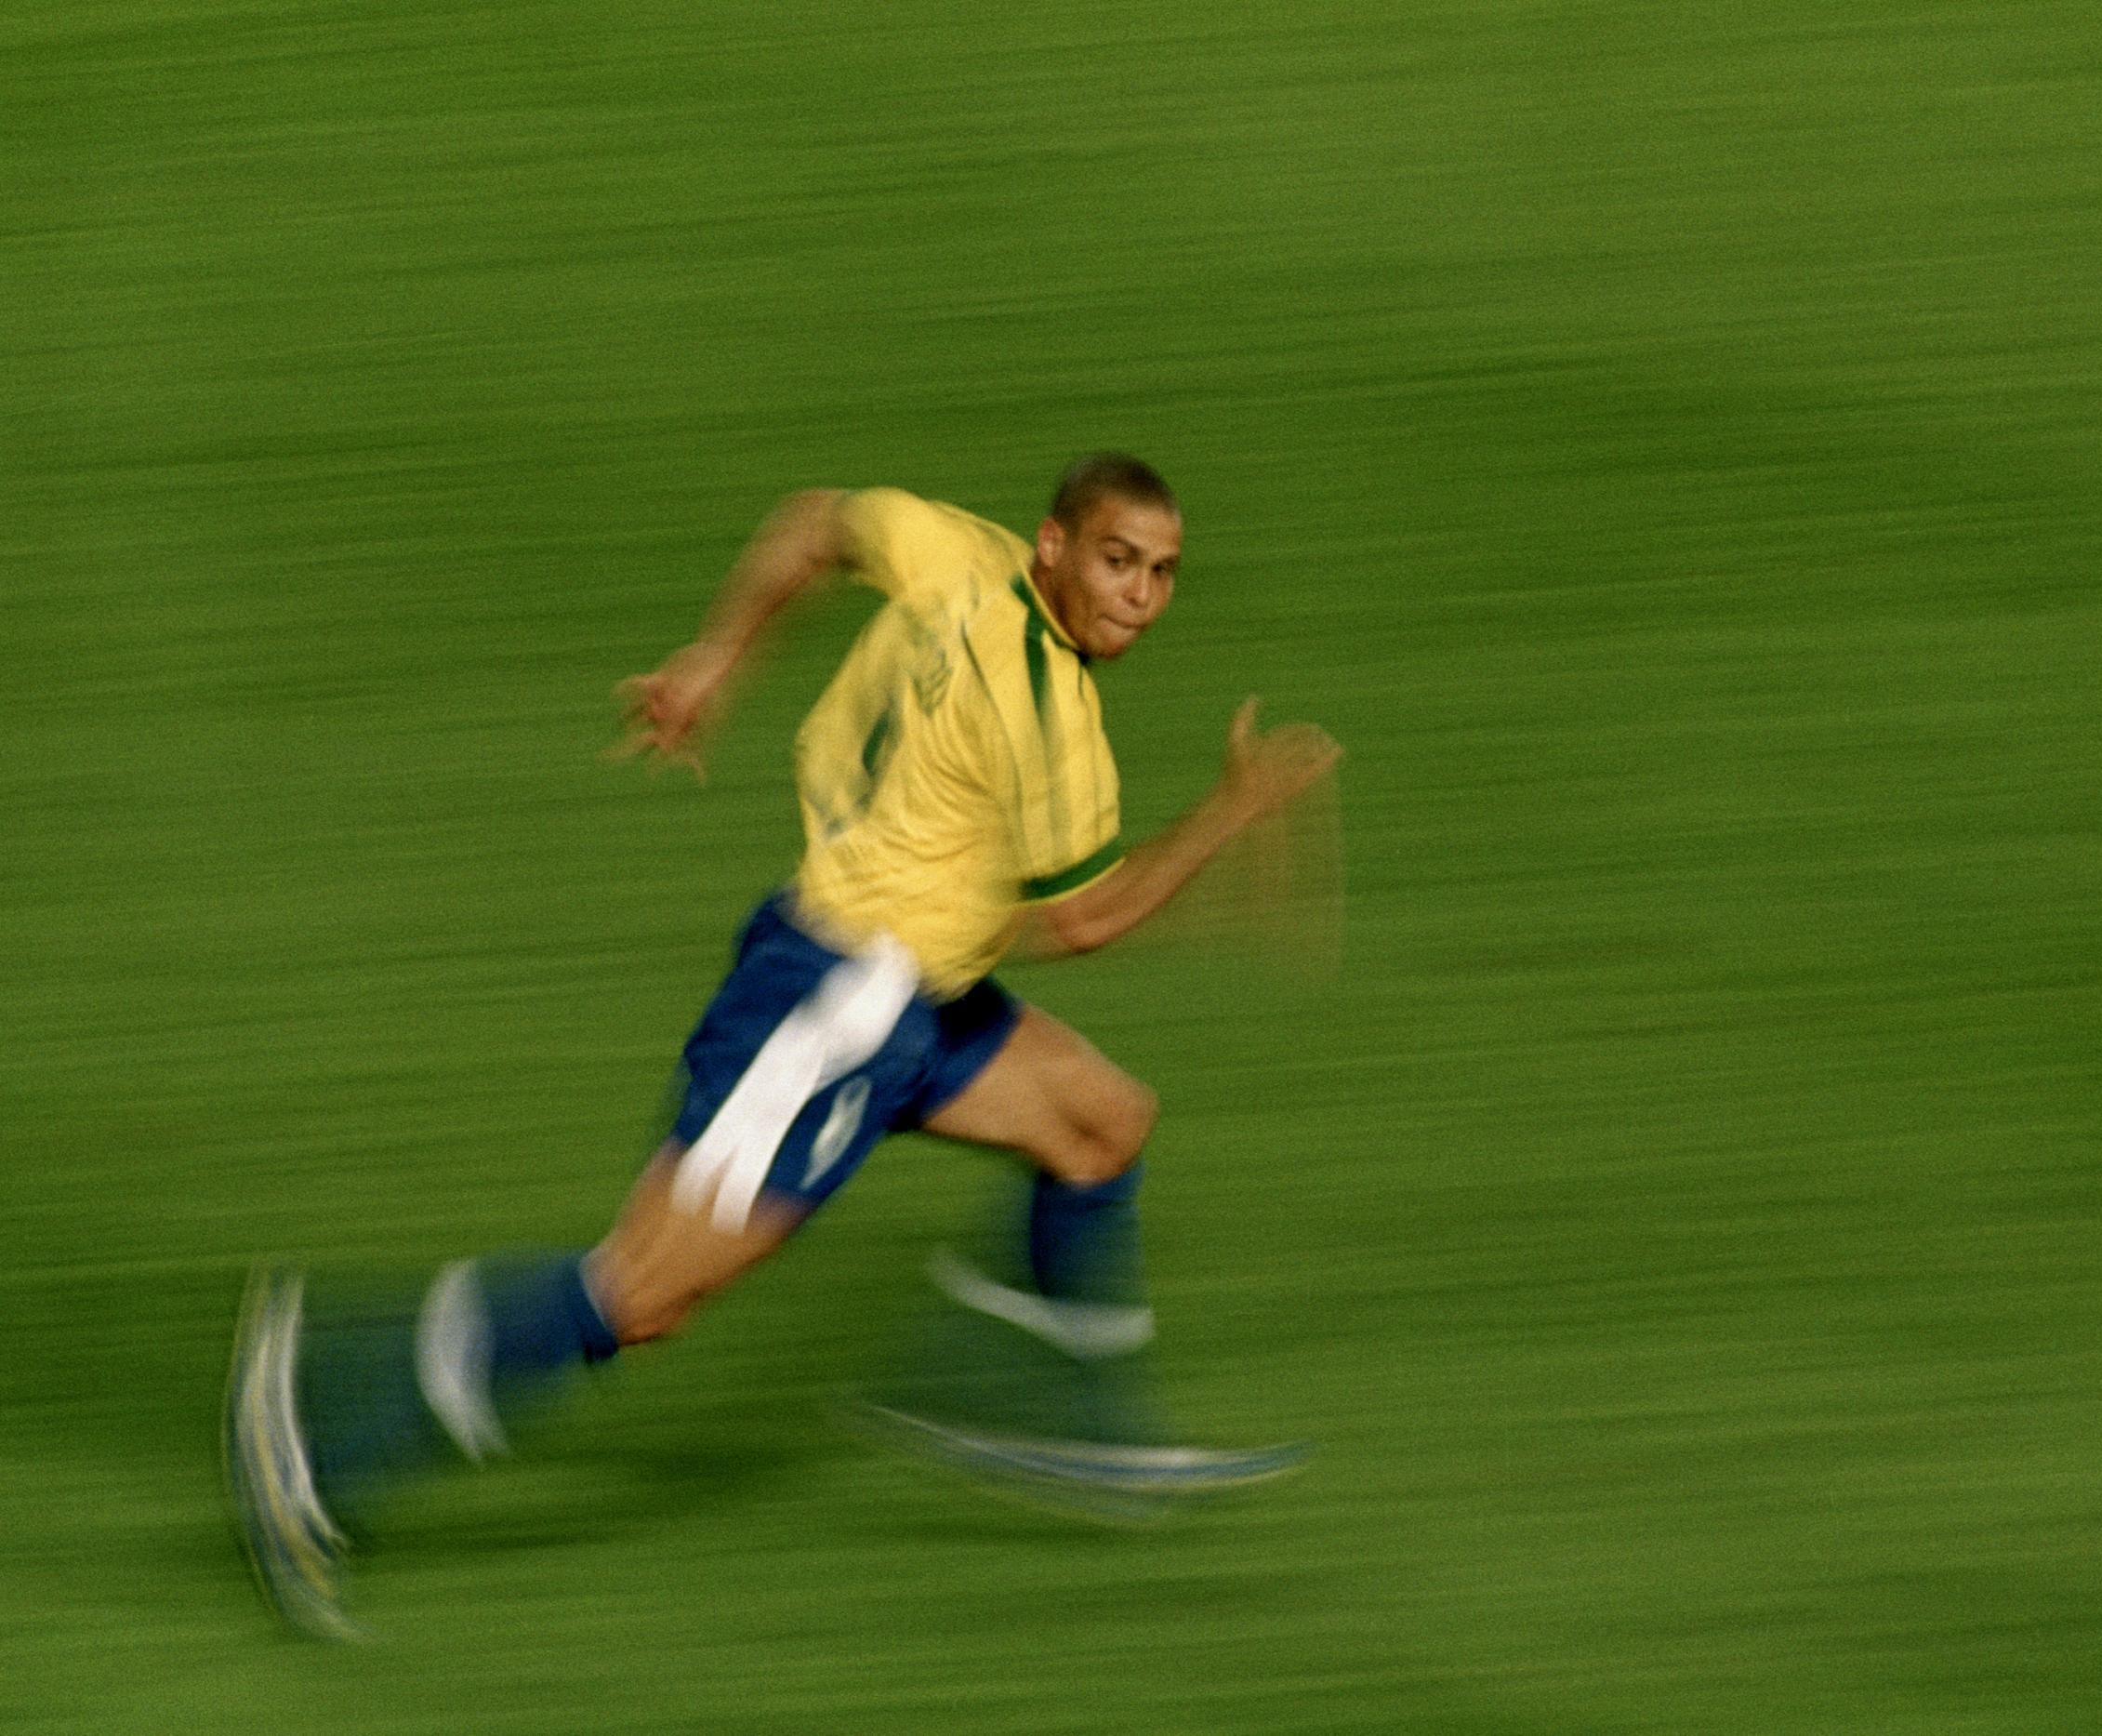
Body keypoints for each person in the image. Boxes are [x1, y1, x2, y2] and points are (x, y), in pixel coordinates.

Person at [225, 454, 1343, 1638]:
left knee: (1098, 1123)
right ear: (1055, 545)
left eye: (1164, 574)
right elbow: (1082, 919)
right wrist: (1232, 811)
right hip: (838, 1012)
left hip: (918, 984)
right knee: (640, 1298)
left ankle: (1029, 1395)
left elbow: (815, 524)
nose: (1139, 596)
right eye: (1119, 562)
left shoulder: (955, 550)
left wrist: (720, 654)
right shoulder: (1050, 716)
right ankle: (316, 1424)